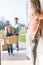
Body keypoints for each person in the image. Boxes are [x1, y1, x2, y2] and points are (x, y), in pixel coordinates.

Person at [26, 0, 43, 65]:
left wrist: (35, 34)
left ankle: (33, 64)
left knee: (33, 50)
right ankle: (32, 62)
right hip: (29, 33)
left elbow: (40, 25)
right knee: (31, 50)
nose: (30, 6)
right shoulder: (31, 13)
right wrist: (27, 26)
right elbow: (30, 21)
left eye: (31, 4)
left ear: (35, 4)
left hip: (35, 34)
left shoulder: (41, 13)